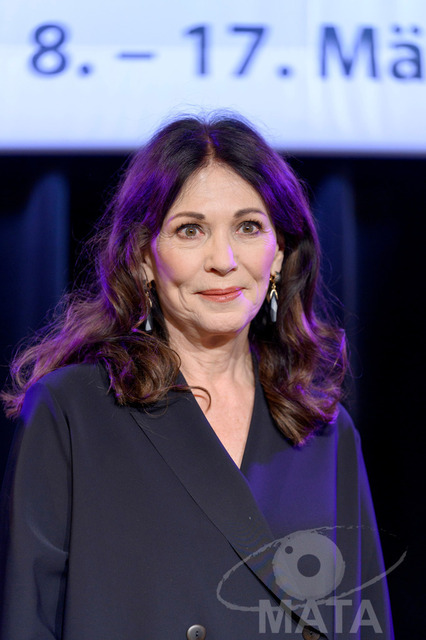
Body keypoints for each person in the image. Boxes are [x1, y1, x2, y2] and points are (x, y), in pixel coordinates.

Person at [0, 115, 393, 639]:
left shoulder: (324, 431)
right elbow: (28, 620)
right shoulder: (72, 412)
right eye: (190, 230)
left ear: (279, 254)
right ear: (144, 258)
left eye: (248, 228)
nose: (224, 261)